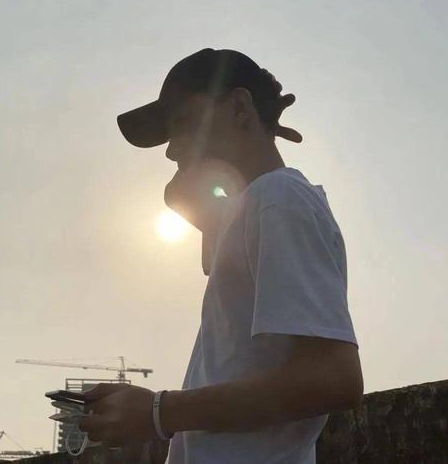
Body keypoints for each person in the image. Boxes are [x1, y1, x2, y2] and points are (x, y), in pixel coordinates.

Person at [78, 48, 364, 464]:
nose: (171, 151)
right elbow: (184, 204)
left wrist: (158, 412)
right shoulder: (257, 207)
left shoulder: (277, 199)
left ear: (239, 108)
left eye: (183, 123)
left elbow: (334, 380)